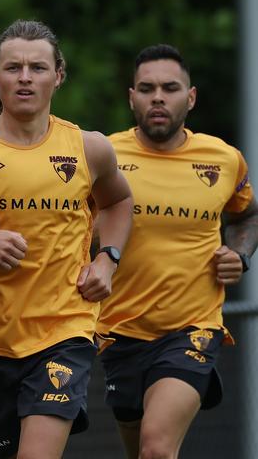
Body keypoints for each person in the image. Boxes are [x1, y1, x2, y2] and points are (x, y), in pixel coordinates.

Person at [0, 19, 134, 459]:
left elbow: (117, 203)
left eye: (37, 67)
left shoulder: (88, 147)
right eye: (13, 67)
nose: (26, 78)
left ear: (59, 74)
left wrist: (107, 258)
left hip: (63, 329)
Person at [96, 44, 258, 459]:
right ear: (132, 97)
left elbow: (248, 216)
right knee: (142, 451)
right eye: (147, 89)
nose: (158, 98)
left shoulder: (223, 159)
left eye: (170, 88)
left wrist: (238, 255)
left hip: (192, 327)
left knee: (156, 448)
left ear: (191, 97)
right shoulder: (101, 155)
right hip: (119, 331)